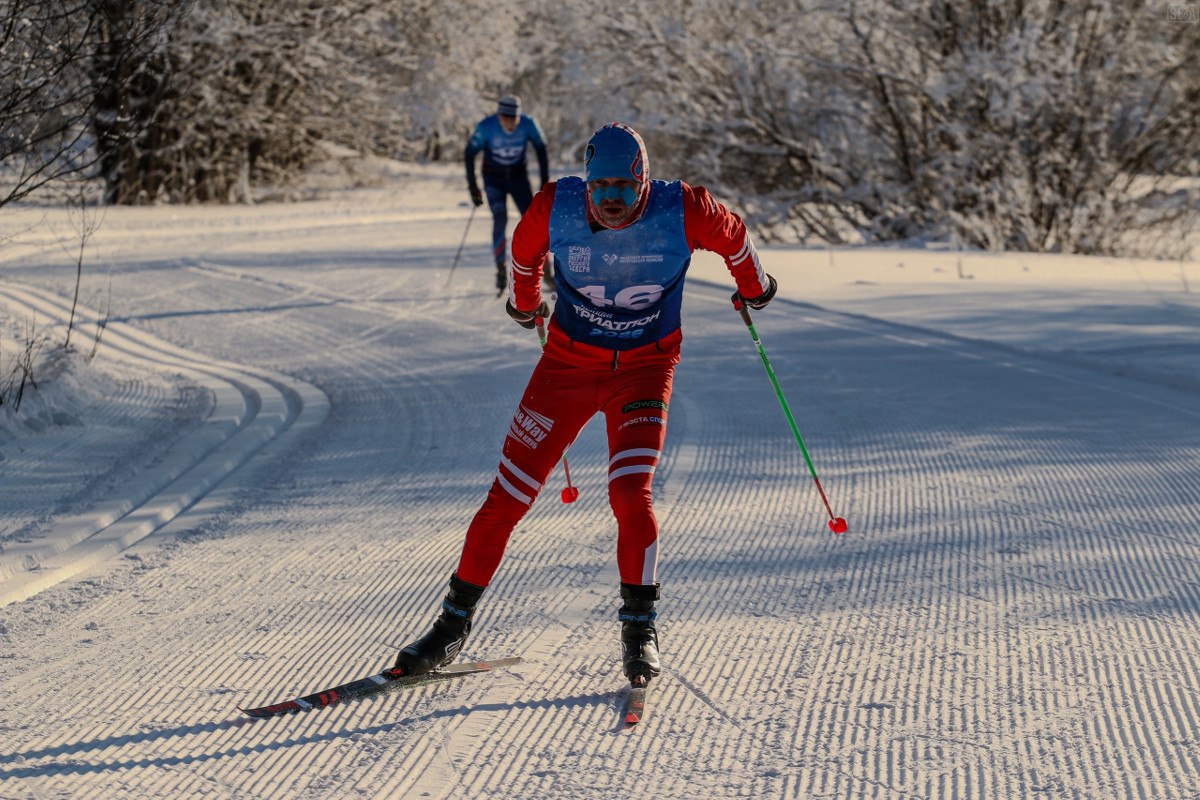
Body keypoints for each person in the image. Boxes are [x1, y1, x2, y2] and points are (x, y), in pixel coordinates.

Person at [395, 122, 777, 688]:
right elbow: (523, 256)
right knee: (507, 498)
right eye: (601, 188)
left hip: (645, 369)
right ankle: (450, 627)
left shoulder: (684, 208)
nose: (612, 200)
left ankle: (639, 630)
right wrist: (526, 304)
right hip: (566, 369)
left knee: (629, 492)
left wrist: (754, 286)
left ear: (644, 182)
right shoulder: (557, 205)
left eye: (625, 187)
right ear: (587, 184)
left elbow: (736, 237)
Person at [465, 95, 550, 293]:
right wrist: (473, 188)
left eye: (514, 119)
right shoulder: (486, 126)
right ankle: (501, 268)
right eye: (506, 119)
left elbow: (541, 148)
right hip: (493, 177)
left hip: (518, 177)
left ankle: (547, 270)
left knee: (533, 221)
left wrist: (544, 182)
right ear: (499, 116)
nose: (510, 123)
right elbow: (469, 153)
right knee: (500, 218)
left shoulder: (529, 124)